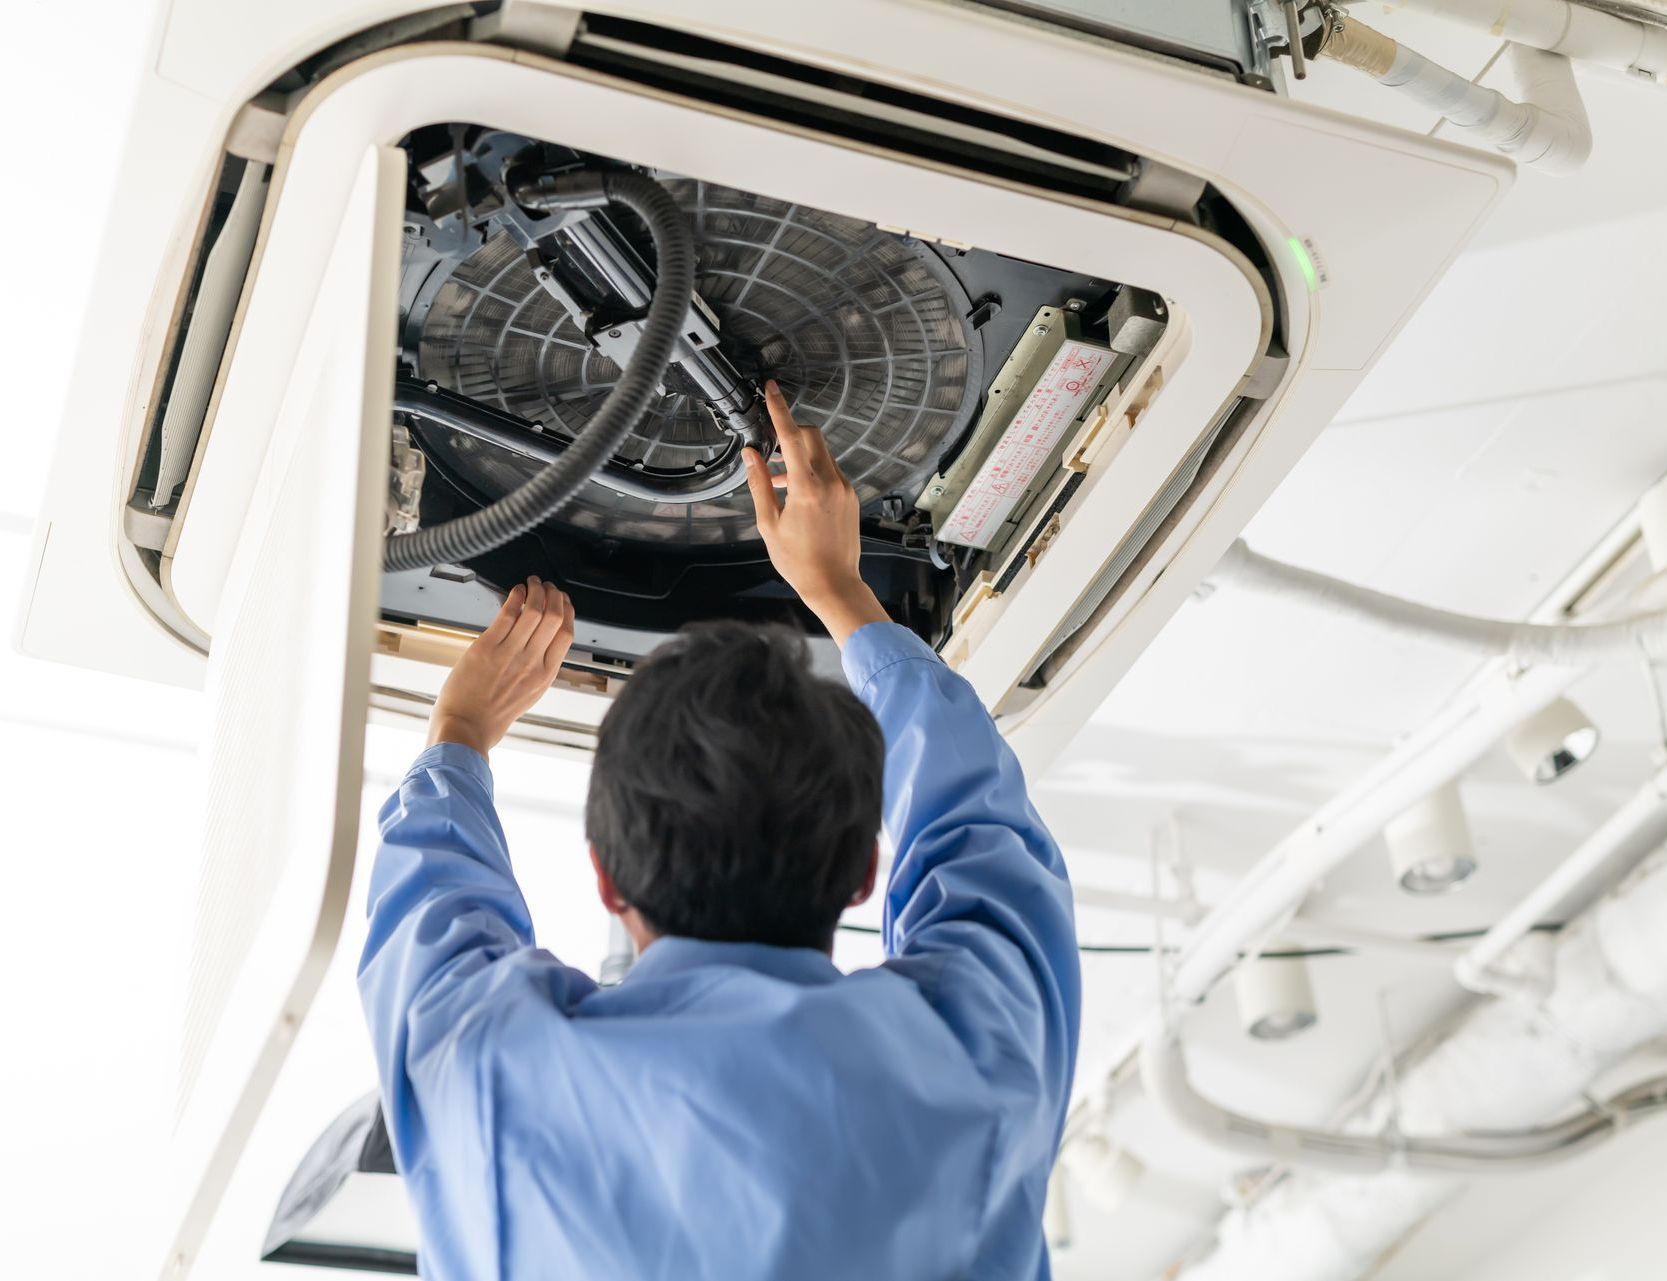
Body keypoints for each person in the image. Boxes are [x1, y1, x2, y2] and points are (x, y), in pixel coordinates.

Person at [358, 381, 1081, 1280]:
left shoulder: (489, 1074)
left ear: (606, 880)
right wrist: (460, 731)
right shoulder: (978, 1061)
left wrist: (838, 591)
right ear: (863, 873)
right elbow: (980, 837)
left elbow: (977, 833)